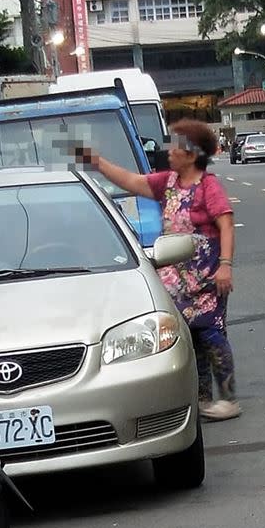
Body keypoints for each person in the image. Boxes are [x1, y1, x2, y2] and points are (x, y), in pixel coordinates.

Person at [76, 119, 240, 421]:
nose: (168, 151)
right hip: (173, 279)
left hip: (207, 278)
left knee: (212, 334)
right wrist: (94, 161)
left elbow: (226, 225)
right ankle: (202, 399)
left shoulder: (209, 187)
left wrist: (226, 266)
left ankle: (229, 398)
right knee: (188, 338)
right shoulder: (166, 184)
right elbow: (129, 180)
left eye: (175, 146)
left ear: (191, 155)